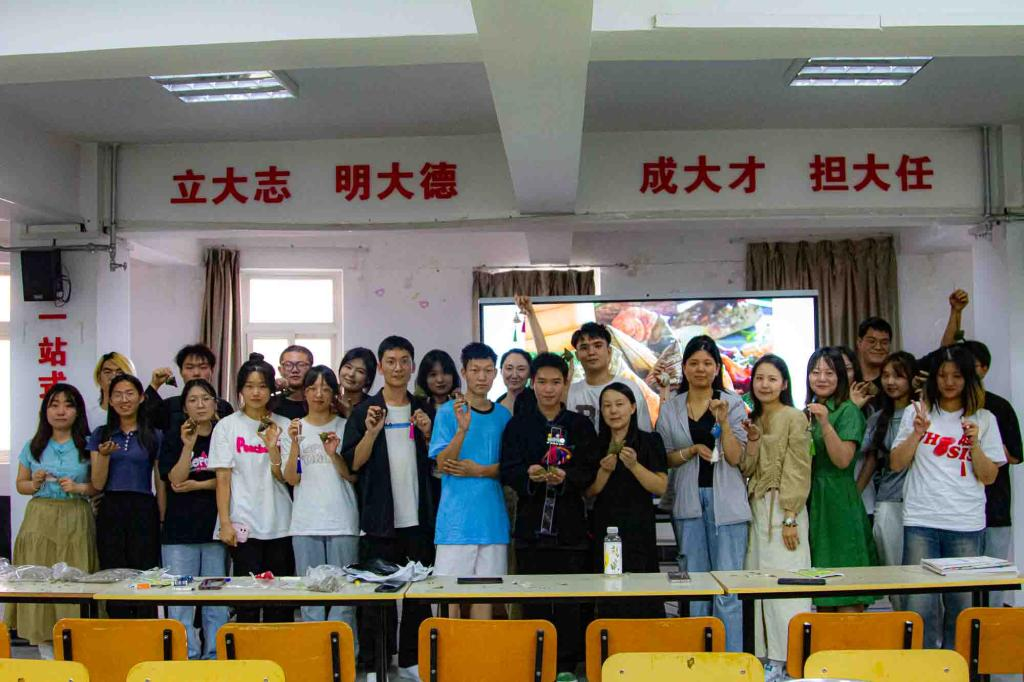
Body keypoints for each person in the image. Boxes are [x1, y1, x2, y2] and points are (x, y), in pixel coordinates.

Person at [891, 345, 1005, 648]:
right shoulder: (916, 413)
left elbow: (989, 476)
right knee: (919, 608)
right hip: (921, 521)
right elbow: (896, 463)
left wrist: (974, 443)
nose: (949, 382)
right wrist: (917, 433)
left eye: (957, 375)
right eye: (942, 375)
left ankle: (958, 668)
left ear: (969, 379)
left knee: (962, 610)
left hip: (965, 523)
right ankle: (924, 669)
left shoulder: (985, 419)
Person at [341, 336, 435, 681]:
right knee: (376, 597)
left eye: (404, 361)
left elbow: (439, 462)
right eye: (391, 362)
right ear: (380, 367)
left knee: (417, 595)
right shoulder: (365, 411)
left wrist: (428, 433)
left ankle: (411, 660)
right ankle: (374, 663)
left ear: (412, 366)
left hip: (419, 519)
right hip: (379, 519)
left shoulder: (424, 409)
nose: (398, 368)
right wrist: (371, 432)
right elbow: (353, 464)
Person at [500, 352, 598, 675]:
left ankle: (567, 667)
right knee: (534, 601)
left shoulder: (579, 425)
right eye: (542, 382)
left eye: (556, 382)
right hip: (530, 529)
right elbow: (509, 469)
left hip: (570, 529)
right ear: (533, 383)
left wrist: (566, 477)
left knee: (570, 602)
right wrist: (528, 475)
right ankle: (536, 666)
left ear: (565, 383)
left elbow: (589, 468)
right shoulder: (519, 425)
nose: (548, 389)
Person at [656, 335, 748, 651]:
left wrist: (724, 421)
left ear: (717, 368)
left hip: (728, 506)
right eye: (694, 363)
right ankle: (697, 657)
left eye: (708, 363)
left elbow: (736, 458)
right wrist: (691, 450)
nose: (700, 369)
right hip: (688, 502)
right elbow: (664, 457)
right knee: (695, 584)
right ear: (684, 368)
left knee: (728, 586)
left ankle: (730, 657)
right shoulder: (671, 407)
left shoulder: (734, 404)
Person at [941, 292, 1023, 606]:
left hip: (994, 507)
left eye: (969, 367)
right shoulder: (939, 409)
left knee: (993, 583)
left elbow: (1014, 455)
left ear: (984, 369)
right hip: (954, 512)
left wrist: (983, 443)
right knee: (958, 589)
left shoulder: (998, 407)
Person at [7, 384, 98, 659]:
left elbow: (98, 486)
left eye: (68, 405)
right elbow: (21, 485)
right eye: (54, 404)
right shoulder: (33, 445)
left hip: (75, 516)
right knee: (41, 584)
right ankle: (48, 659)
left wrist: (79, 488)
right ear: (45, 411)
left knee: (75, 582)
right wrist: (34, 483)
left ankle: (75, 657)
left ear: (77, 411)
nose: (61, 411)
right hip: (40, 519)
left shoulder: (88, 444)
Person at [739, 355, 811, 682]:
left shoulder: (795, 417)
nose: (764, 385)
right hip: (756, 507)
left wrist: (790, 516)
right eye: (759, 378)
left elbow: (799, 467)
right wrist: (753, 441)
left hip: (784, 509)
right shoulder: (752, 418)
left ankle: (790, 661)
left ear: (784, 383)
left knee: (788, 584)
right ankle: (766, 659)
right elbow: (746, 467)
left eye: (772, 378)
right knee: (758, 585)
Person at [210, 353, 294, 623]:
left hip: (280, 523)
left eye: (262, 386)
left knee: (279, 602)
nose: (256, 392)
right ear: (240, 390)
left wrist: (273, 448)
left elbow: (285, 478)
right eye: (249, 386)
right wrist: (225, 523)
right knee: (246, 600)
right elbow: (223, 478)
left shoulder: (283, 425)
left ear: (271, 389)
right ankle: (247, 650)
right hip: (242, 523)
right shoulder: (227, 426)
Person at [430, 343, 512, 619]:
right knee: (448, 601)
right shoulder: (447, 413)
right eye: (475, 370)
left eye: (488, 370)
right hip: (455, 524)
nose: (482, 377)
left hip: (493, 522)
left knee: (485, 601)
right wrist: (462, 430)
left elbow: (511, 467)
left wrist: (481, 470)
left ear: (495, 373)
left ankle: (481, 649)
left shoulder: (503, 416)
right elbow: (442, 464)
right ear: (464, 372)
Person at [282, 366, 359, 636]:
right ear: (304, 393)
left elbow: (352, 475)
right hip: (306, 523)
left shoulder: (345, 426)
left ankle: (345, 655)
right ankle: (313, 656)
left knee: (344, 597)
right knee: (310, 597)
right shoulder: (294, 428)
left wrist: (333, 454)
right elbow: (291, 478)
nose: (319, 394)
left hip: (342, 521)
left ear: (334, 393)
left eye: (326, 389)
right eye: (313, 388)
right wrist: (294, 443)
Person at [158, 378, 229, 659]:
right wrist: (188, 445)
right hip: (179, 532)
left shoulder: (224, 434)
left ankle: (214, 655)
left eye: (206, 398)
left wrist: (199, 484)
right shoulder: (174, 437)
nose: (200, 405)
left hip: (215, 529)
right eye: (193, 400)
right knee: (181, 598)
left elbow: (231, 478)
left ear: (215, 403)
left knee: (216, 599)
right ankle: (185, 655)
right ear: (185, 407)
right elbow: (175, 480)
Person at [587, 382, 668, 618]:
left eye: (619, 404)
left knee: (643, 591)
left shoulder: (650, 441)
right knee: (609, 591)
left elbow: (660, 486)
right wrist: (605, 470)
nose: (613, 411)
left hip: (639, 527)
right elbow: (589, 491)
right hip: (605, 527)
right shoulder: (595, 444)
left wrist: (633, 465)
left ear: (632, 407)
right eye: (607, 406)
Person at [805, 347, 876, 613]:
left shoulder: (848, 411)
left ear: (841, 377)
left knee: (847, 593)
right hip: (813, 503)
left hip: (839, 503)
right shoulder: (807, 412)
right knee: (821, 596)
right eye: (816, 372)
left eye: (829, 373)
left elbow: (843, 460)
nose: (821, 378)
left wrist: (825, 424)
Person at [88, 374, 162, 618]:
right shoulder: (101, 434)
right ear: (109, 400)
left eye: (130, 393)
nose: (124, 399)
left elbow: (160, 482)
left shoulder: (153, 435)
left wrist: (162, 517)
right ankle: (117, 630)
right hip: (111, 507)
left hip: (143, 507)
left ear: (141, 398)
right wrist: (104, 456)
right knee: (113, 573)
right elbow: (97, 483)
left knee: (145, 574)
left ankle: (146, 631)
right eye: (117, 394)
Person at [861, 352, 918, 596]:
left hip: (921, 501)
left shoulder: (925, 415)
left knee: (921, 576)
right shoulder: (877, 418)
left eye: (898, 376)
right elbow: (867, 457)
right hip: (888, 500)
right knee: (893, 574)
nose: (890, 382)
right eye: (885, 376)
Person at [568, 322, 652, 431]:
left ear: (609, 351)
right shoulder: (570, 393)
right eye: (584, 348)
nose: (591, 352)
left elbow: (645, 432)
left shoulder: (630, 388)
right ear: (577, 355)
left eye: (598, 346)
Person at [145, 344, 234, 432]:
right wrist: (154, 385)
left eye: (203, 367)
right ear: (181, 372)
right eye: (190, 367)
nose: (196, 373)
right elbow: (144, 418)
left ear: (212, 371)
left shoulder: (224, 408)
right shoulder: (169, 406)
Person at [496, 295, 549, 415]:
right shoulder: (497, 406)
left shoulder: (537, 399)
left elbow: (543, 356)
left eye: (521, 369)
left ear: (530, 373)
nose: (514, 375)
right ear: (500, 371)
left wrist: (531, 314)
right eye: (509, 368)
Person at [88, 351, 136, 433]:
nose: (113, 377)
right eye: (107, 372)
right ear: (99, 378)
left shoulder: (137, 415)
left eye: (120, 372)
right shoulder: (88, 415)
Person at [335, 347, 377, 418]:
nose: (351, 374)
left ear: (368, 379)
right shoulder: (332, 404)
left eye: (360, 371)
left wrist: (350, 415)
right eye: (348, 367)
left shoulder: (373, 407)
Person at [274, 345, 313, 420]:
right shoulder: (270, 404)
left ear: (311, 369)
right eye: (288, 365)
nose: (295, 370)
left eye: (301, 365)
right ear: (280, 370)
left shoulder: (319, 401)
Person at [855, 317, 893, 387]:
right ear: (859, 343)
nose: (878, 347)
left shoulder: (892, 382)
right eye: (872, 341)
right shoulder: (849, 377)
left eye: (884, 343)